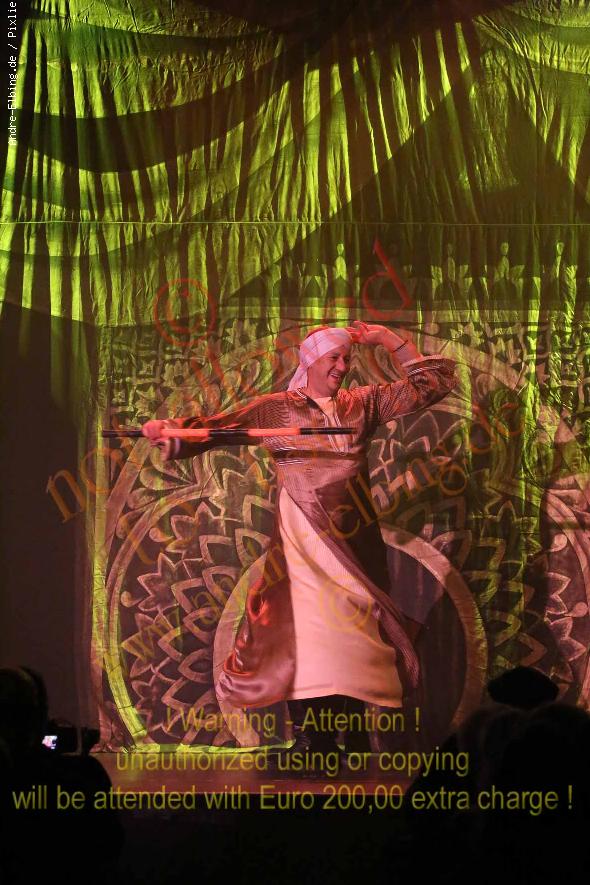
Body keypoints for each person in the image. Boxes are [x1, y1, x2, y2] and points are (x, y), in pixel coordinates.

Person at [143, 321, 456, 753]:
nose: (342, 366)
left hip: (354, 541)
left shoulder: (363, 404)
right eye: (334, 358)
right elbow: (217, 428)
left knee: (351, 637)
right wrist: (169, 431)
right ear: (310, 360)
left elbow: (430, 385)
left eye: (346, 359)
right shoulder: (277, 410)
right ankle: (314, 739)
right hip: (303, 539)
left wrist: (386, 339)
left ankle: (351, 733)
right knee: (308, 635)